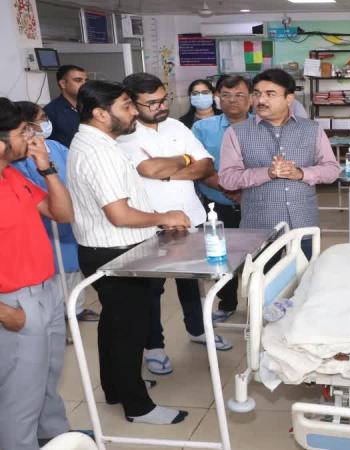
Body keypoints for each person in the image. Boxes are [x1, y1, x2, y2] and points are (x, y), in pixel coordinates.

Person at [68, 80, 190, 425]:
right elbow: (119, 215)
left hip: (104, 248)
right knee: (130, 331)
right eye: (126, 106)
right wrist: (163, 217)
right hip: (115, 252)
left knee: (114, 325)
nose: (134, 111)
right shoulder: (100, 152)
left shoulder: (93, 142)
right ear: (100, 113)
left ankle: (116, 387)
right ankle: (138, 407)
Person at [119, 73, 232, 376]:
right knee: (151, 289)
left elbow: (205, 165)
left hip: (190, 216)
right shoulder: (124, 135)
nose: (161, 106)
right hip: (152, 223)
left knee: (192, 280)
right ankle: (154, 346)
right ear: (133, 104)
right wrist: (185, 160)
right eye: (152, 103)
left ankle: (198, 329)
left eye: (163, 99)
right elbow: (149, 168)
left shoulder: (177, 126)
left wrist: (169, 169)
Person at [0, 98, 74, 450]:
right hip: (14, 303)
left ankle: (55, 438)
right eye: (21, 132)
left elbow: (62, 214)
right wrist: (5, 313)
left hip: (46, 289)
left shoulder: (12, 175)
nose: (30, 137)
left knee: (46, 377)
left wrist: (46, 168)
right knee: (19, 397)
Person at [219, 68, 339, 258]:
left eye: (270, 94)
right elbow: (227, 179)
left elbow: (332, 170)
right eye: (257, 94)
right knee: (262, 276)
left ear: (289, 98)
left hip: (303, 224)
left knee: (307, 275)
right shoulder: (236, 132)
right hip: (259, 227)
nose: (261, 100)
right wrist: (267, 173)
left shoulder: (311, 129)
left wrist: (300, 173)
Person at [11, 101, 99, 322]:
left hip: (70, 212)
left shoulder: (56, 147)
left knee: (73, 267)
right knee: (56, 269)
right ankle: (62, 312)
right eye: (41, 118)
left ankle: (76, 309)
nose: (46, 122)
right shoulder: (19, 163)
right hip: (46, 223)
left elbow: (77, 170)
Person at [192, 75, 251, 323]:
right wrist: (229, 188)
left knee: (261, 256)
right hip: (218, 205)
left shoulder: (263, 127)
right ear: (217, 98)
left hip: (256, 204)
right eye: (225, 95)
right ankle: (227, 303)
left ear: (250, 98)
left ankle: (261, 303)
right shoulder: (202, 128)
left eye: (239, 95)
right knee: (222, 256)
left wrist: (245, 191)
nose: (232, 100)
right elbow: (199, 167)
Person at [43, 65, 88, 147]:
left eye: (86, 80)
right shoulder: (50, 112)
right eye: (78, 80)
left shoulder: (91, 107)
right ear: (63, 84)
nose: (84, 84)